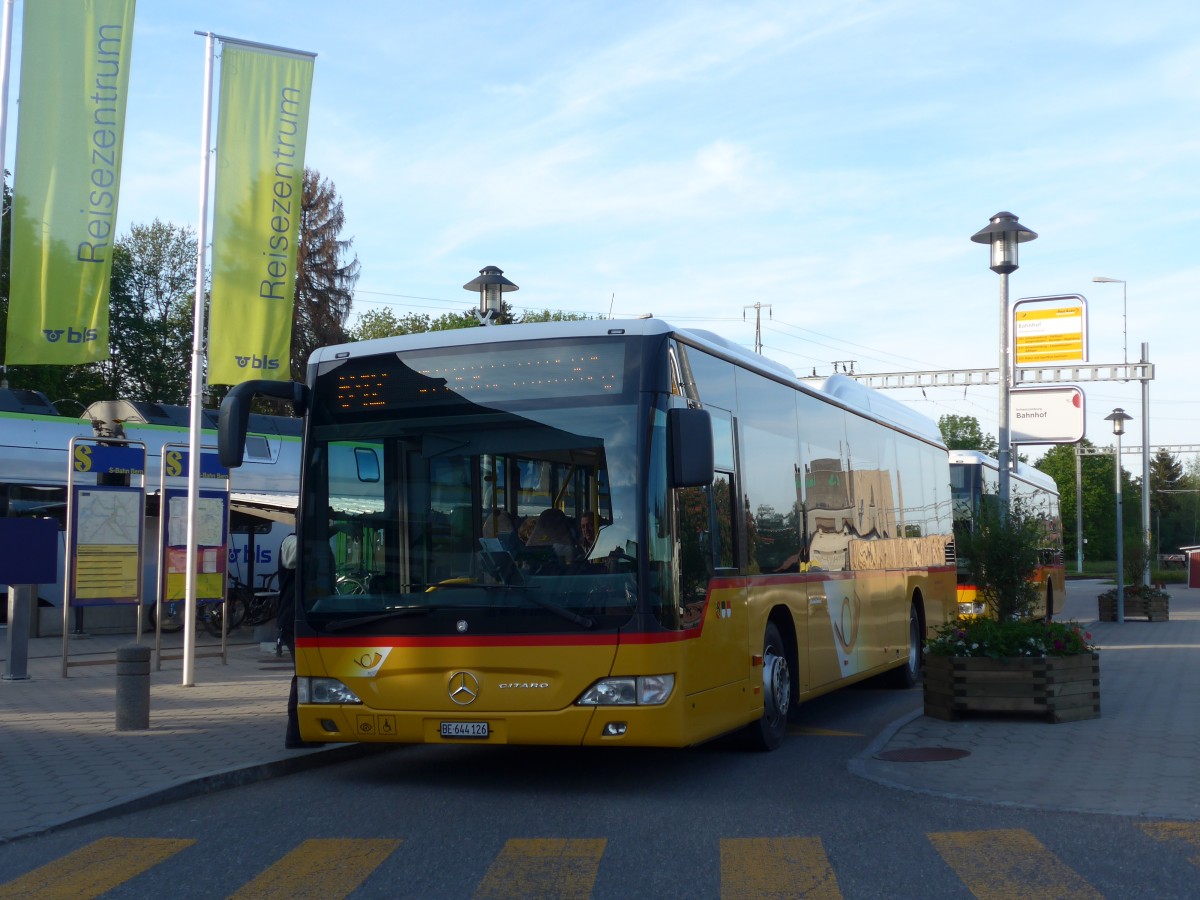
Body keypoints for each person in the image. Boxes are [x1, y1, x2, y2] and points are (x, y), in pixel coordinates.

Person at [277, 533, 315, 749]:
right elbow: (295, 557)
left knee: (305, 674)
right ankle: (295, 734)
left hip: (306, 616)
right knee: (302, 674)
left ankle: (306, 731)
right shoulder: (292, 541)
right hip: (292, 619)